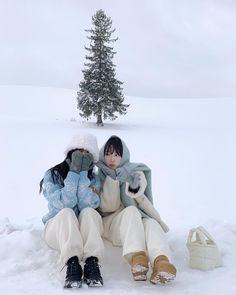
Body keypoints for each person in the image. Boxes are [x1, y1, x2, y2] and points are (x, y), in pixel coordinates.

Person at [96, 135, 176, 285]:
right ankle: (137, 258)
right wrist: (113, 181)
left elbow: (139, 184)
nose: (111, 159)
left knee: (151, 223)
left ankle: (162, 262)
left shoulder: (132, 170)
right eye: (108, 154)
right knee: (131, 211)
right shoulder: (99, 175)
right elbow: (108, 206)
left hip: (136, 220)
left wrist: (132, 181)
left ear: (123, 156)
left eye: (116, 154)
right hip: (112, 224)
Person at [39, 134, 104, 288]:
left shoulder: (94, 179)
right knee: (67, 212)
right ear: (70, 153)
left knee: (89, 212)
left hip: (81, 231)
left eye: (86, 154)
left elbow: (86, 204)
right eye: (78, 152)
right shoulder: (52, 175)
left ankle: (91, 262)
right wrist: (73, 173)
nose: (82, 157)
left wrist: (82, 175)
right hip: (57, 230)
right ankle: (72, 263)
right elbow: (64, 203)